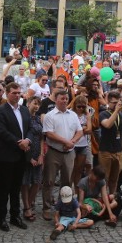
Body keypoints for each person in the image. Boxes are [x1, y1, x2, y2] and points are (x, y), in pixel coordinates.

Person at [0, 83, 31, 232]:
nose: (17, 95)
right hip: (6, 155)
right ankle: (1, 217)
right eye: (14, 92)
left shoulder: (25, 111)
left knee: (16, 188)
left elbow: (30, 129)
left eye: (19, 93)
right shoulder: (0, 110)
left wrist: (27, 140)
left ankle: (15, 216)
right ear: (7, 94)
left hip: (21, 155)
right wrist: (18, 142)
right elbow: (1, 131)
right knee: (3, 188)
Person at [41, 89, 82, 219]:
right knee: (49, 180)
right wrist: (66, 141)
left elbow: (79, 131)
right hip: (54, 152)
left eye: (66, 99)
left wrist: (72, 142)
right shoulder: (50, 115)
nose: (64, 101)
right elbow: (49, 133)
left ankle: (63, 206)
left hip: (69, 153)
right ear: (56, 100)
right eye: (62, 99)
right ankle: (47, 208)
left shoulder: (73, 115)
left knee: (67, 182)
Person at [98, 91, 122, 196]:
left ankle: (112, 197)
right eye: (114, 103)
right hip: (105, 151)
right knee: (104, 178)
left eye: (118, 102)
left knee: (114, 179)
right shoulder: (103, 114)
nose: (116, 105)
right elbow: (107, 125)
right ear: (108, 102)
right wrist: (116, 110)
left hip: (118, 151)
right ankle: (102, 199)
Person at [20, 96, 44, 222]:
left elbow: (41, 138)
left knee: (37, 181)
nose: (36, 106)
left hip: (37, 153)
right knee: (25, 181)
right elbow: (23, 137)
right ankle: (27, 207)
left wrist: (41, 155)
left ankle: (28, 205)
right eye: (34, 103)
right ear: (28, 103)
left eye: (38, 104)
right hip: (26, 154)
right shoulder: (24, 118)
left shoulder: (39, 119)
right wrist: (29, 158)